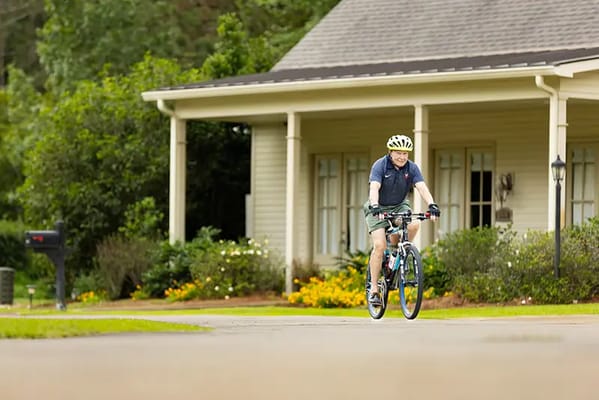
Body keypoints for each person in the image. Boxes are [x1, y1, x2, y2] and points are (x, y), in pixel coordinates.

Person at [363, 134, 440, 306]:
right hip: (377, 207)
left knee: (414, 223)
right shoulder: (380, 165)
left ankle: (399, 251)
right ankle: (374, 290)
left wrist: (432, 204)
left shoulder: (411, 168)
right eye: (398, 152)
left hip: (399, 205)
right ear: (390, 152)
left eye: (405, 153)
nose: (402, 157)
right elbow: (374, 187)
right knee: (379, 246)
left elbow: (421, 187)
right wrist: (375, 205)